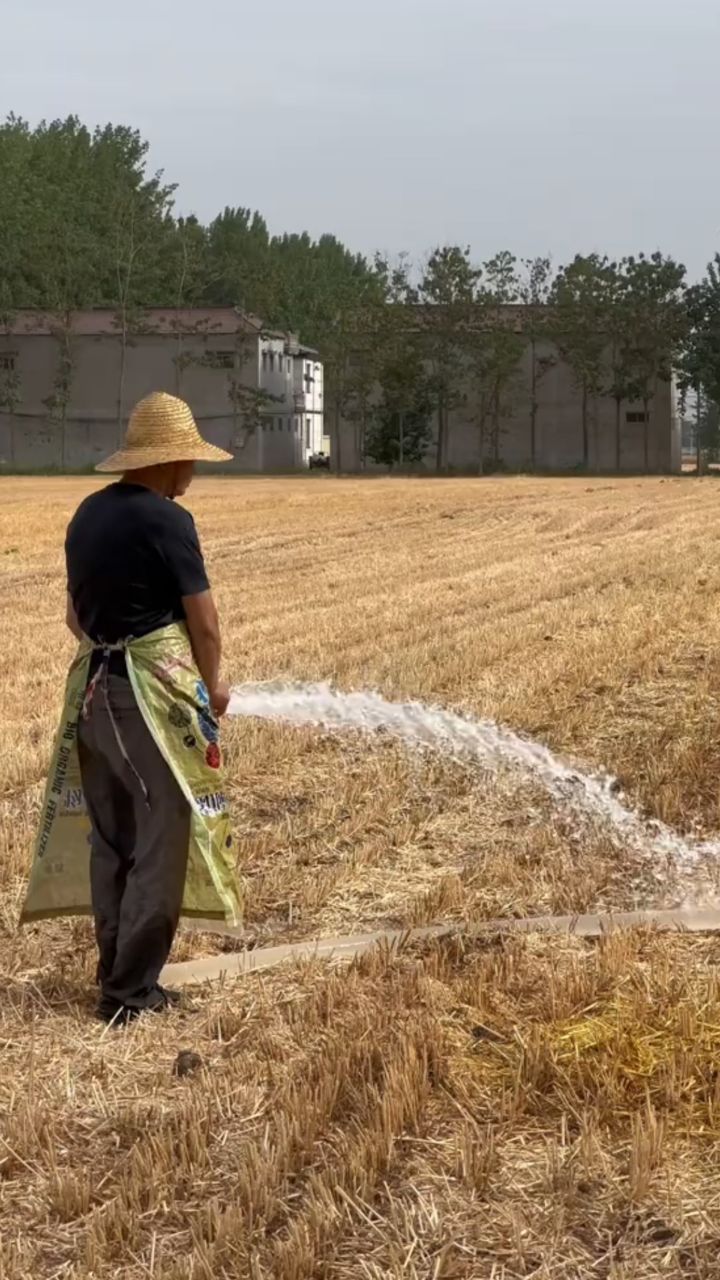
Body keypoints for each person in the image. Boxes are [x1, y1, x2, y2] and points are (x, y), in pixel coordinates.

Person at [20, 392, 243, 1023]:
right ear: (169, 460)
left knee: (112, 838)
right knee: (163, 834)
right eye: (191, 462)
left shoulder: (86, 515)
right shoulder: (168, 522)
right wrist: (208, 688)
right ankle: (130, 991)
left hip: (91, 693)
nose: (194, 474)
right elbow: (205, 625)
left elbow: (74, 616)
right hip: (142, 703)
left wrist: (115, 648)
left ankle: (113, 973)